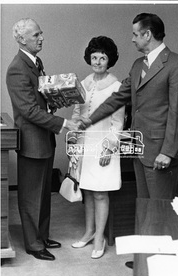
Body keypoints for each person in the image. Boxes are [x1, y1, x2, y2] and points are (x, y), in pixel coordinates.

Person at [78, 13, 178, 266]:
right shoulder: (138, 65)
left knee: (160, 207)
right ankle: (147, 258)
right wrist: (90, 118)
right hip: (140, 149)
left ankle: (162, 264)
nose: (132, 39)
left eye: (134, 34)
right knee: (145, 206)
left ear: (147, 34)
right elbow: (119, 98)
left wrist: (169, 151)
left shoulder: (176, 64)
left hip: (161, 152)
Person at [6, 18, 79, 261]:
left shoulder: (35, 62)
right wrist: (64, 123)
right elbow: (28, 110)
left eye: (41, 33)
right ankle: (34, 244)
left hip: (43, 138)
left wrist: (58, 97)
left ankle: (42, 236)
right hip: (33, 141)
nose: (41, 38)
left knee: (44, 193)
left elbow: (39, 100)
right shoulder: (17, 67)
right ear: (21, 39)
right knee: (31, 196)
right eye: (36, 34)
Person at [70, 36, 125, 259]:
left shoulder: (117, 86)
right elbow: (77, 114)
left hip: (103, 146)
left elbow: (118, 123)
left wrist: (109, 148)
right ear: (89, 58)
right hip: (84, 146)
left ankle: (100, 238)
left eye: (102, 57)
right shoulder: (83, 83)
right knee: (88, 192)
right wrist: (73, 143)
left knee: (101, 194)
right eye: (94, 57)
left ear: (109, 60)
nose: (98, 61)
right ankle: (89, 232)